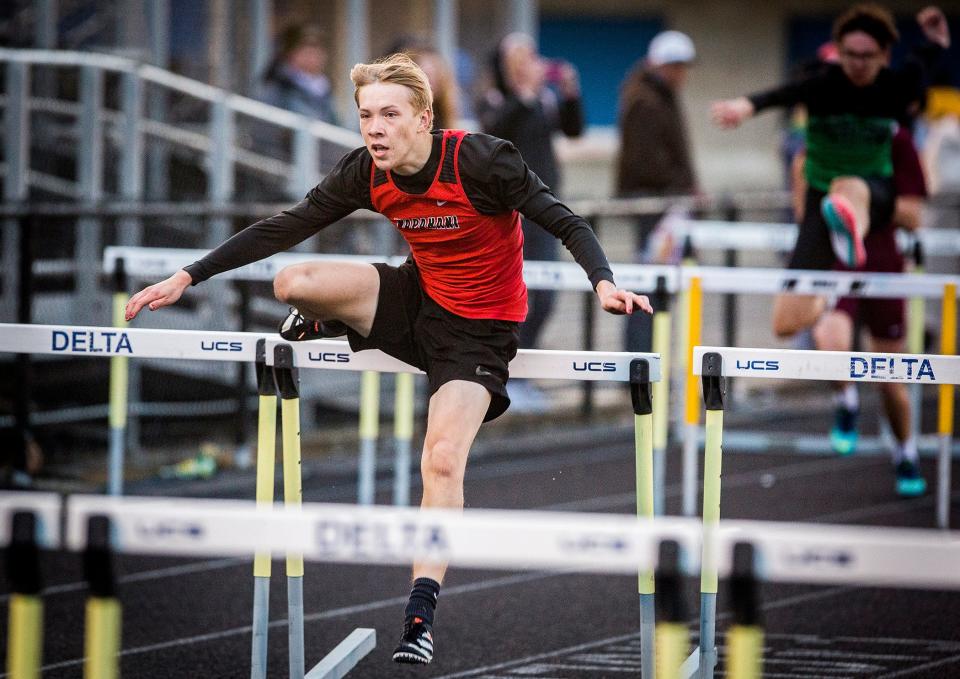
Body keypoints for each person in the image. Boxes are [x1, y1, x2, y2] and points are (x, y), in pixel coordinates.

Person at [124, 53, 651, 666]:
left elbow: (566, 221)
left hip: (477, 336)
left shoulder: (482, 161)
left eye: (389, 115)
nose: (374, 128)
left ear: (423, 118)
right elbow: (283, 227)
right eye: (365, 115)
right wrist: (189, 275)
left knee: (443, 457)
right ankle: (331, 317)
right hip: (413, 300)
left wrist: (602, 281)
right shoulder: (365, 174)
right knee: (292, 281)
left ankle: (419, 616)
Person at [711, 4, 949, 340]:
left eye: (867, 56)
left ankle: (851, 233)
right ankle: (826, 296)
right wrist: (743, 107)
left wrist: (937, 39)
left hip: (874, 193)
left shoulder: (896, 85)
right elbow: (780, 95)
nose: (858, 64)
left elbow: (923, 60)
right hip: (819, 203)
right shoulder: (823, 84)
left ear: (884, 55)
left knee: (848, 186)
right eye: (850, 55)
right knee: (784, 323)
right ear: (839, 53)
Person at [804, 127, 929, 496]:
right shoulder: (827, 134)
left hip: (883, 262)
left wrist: (860, 203)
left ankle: (905, 453)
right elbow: (803, 179)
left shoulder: (897, 140)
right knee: (828, 337)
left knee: (891, 379)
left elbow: (913, 215)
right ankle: (846, 400)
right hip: (838, 256)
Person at [477, 33, 585, 410]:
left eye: (530, 56)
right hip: (507, 213)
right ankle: (506, 376)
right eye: (517, 58)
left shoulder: (544, 99)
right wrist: (522, 96)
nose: (527, 64)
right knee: (513, 298)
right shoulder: (497, 100)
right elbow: (492, 134)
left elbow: (573, 131)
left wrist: (570, 93)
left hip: (542, 208)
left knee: (546, 296)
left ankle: (522, 371)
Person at [616, 29, 698, 353]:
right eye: (675, 66)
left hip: (663, 206)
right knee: (648, 285)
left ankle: (647, 354)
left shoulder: (660, 97)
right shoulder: (646, 101)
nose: (681, 74)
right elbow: (644, 162)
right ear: (660, 66)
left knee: (657, 284)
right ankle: (639, 358)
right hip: (654, 208)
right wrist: (682, 187)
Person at [260, 24, 339, 125]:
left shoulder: (323, 89)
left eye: (317, 51)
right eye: (307, 50)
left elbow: (335, 127)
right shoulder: (276, 87)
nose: (313, 57)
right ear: (290, 53)